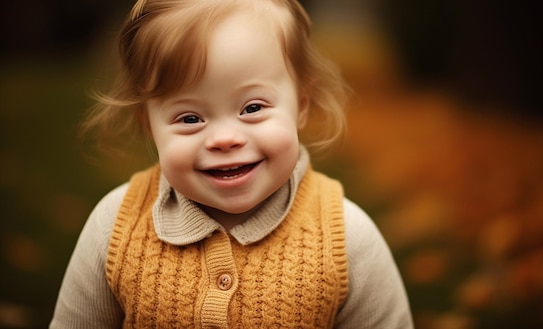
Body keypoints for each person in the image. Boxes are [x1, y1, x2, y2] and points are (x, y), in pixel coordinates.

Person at [50, 0, 413, 328]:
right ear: (148, 123)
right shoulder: (115, 226)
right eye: (190, 118)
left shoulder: (347, 238)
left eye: (252, 108)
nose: (225, 139)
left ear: (301, 104)